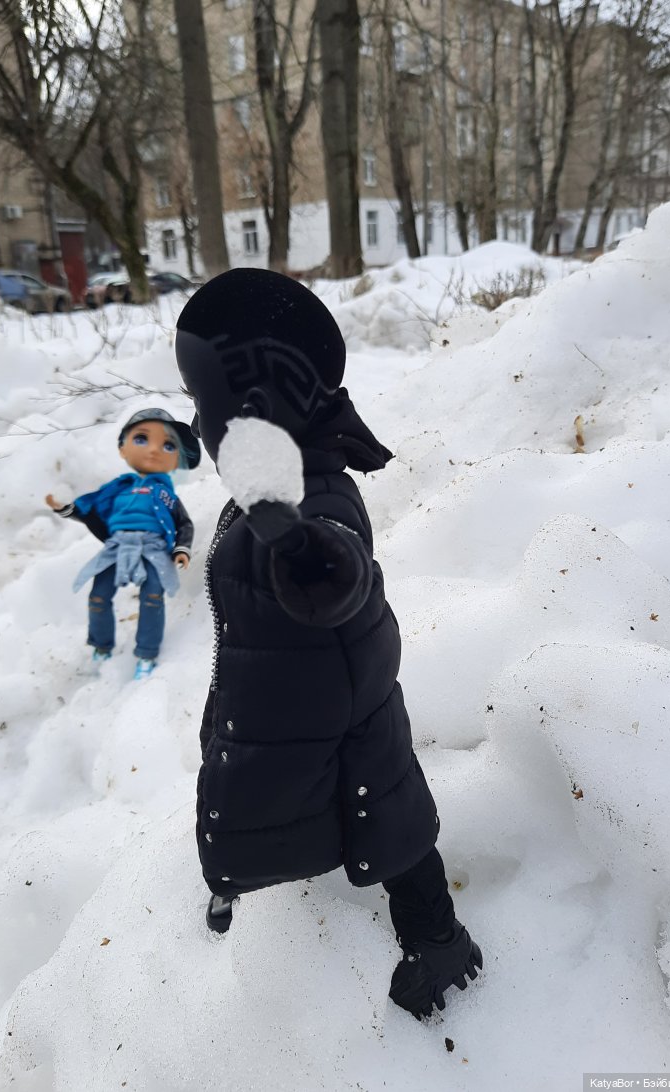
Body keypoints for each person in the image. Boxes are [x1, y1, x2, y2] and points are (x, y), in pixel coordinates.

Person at [175, 268, 482, 1019]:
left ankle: (440, 942)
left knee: (391, 820)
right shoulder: (281, 476)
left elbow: (338, 554)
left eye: (200, 400)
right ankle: (247, 877)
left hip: (341, 702)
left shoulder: (315, 496)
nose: (195, 418)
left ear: (254, 407)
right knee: (313, 801)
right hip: (291, 693)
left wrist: (309, 555)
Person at [46, 408, 199, 680]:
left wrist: (181, 548)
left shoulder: (166, 495)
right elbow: (90, 510)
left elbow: (184, 523)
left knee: (152, 598)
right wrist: (66, 508)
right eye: (141, 439)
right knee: (98, 596)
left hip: (153, 549)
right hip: (117, 548)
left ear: (177, 458)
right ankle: (101, 646)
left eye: (167, 445)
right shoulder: (117, 490)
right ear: (122, 449)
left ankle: (147, 654)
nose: (154, 450)